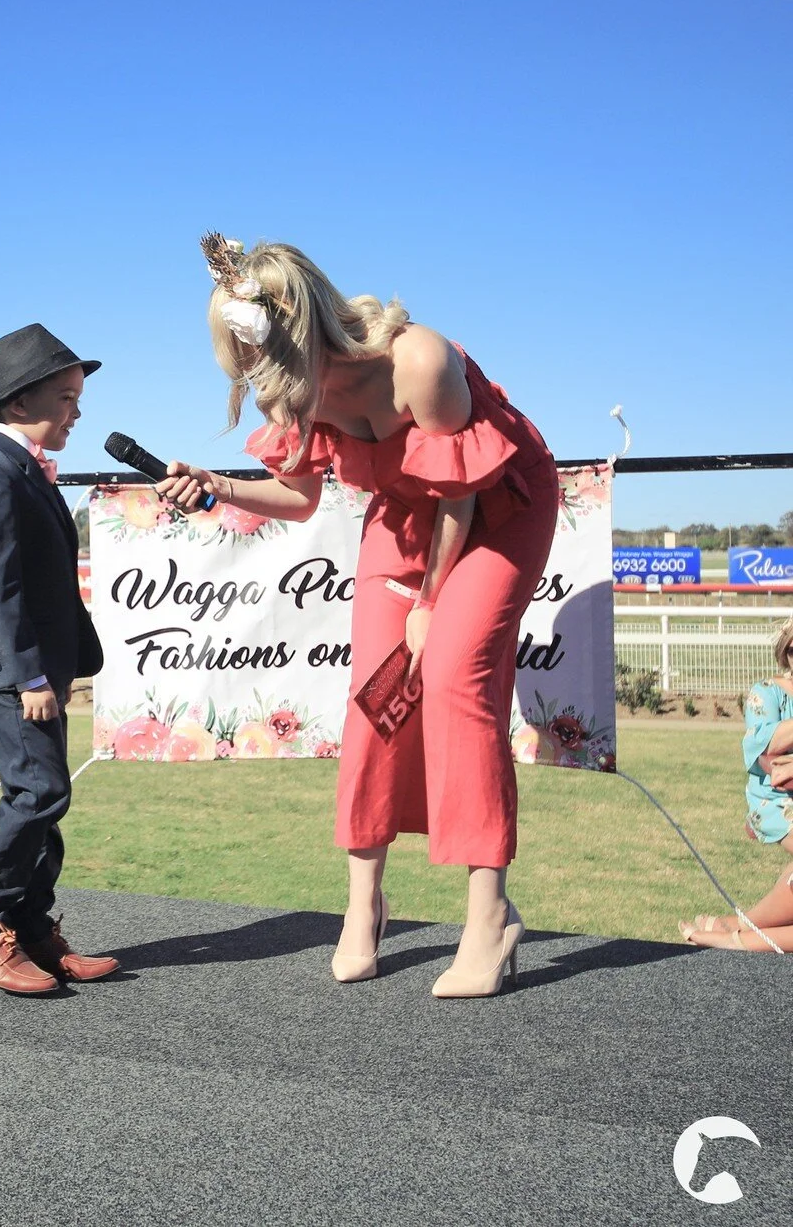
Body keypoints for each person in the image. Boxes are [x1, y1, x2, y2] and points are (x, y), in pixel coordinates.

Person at [158, 235, 559, 997]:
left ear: (297, 326)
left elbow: (460, 496)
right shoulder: (290, 393)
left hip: (497, 508)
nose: (253, 376)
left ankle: (489, 918)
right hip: (405, 514)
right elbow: (299, 496)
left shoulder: (419, 361)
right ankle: (364, 905)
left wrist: (430, 605)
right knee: (376, 700)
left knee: (453, 676)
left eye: (258, 353)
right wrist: (217, 485)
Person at [0, 322, 120, 993]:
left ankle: (31, 925)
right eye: (67, 398)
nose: (77, 412)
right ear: (19, 402)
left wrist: (55, 668)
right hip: (9, 673)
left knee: (48, 797)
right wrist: (28, 676)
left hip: (37, 670)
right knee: (38, 791)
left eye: (78, 398)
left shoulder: (24, 468)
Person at [679, 616, 793, 951]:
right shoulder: (766, 693)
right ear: (787, 651)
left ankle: (735, 931)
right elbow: (768, 755)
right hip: (776, 802)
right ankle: (736, 936)